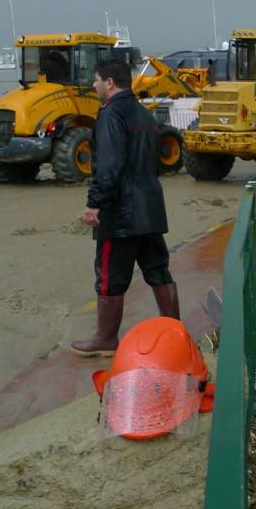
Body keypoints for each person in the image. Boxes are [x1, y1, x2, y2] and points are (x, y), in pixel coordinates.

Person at [71, 59, 179, 357]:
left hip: (121, 213)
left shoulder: (110, 115)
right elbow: (156, 162)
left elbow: (109, 165)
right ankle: (175, 331)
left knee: (109, 276)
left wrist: (95, 203)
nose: (93, 85)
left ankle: (106, 338)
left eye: (96, 80)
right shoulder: (143, 114)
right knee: (158, 270)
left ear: (109, 83)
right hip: (151, 208)